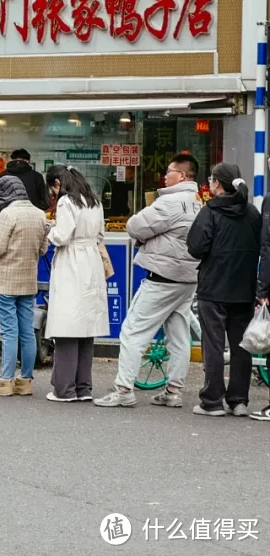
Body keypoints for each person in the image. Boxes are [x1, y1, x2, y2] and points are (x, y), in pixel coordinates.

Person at [96, 155, 201, 408]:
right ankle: (174, 391)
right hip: (188, 278)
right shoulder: (198, 203)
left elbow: (135, 226)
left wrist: (149, 239)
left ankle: (123, 389)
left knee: (133, 332)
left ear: (183, 176)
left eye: (170, 170)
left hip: (162, 278)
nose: (165, 175)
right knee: (178, 337)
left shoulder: (170, 202)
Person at [187, 163, 261, 417]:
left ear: (217, 183)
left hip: (214, 288)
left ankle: (212, 401)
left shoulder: (210, 212)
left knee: (214, 345)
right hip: (244, 288)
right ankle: (239, 400)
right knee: (242, 346)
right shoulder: (252, 213)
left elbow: (196, 246)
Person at [44, 164, 108, 403]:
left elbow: (62, 236)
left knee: (67, 324)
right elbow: (100, 235)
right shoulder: (94, 201)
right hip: (91, 259)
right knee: (86, 326)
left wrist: (49, 231)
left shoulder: (65, 202)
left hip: (71, 261)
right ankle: (83, 387)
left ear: (58, 184)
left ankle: (64, 388)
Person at [0, 175, 49, 397]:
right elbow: (42, 249)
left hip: (5, 281)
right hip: (28, 281)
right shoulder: (39, 214)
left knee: (9, 332)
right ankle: (25, 380)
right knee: (27, 331)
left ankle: (6, 380)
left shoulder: (7, 214)